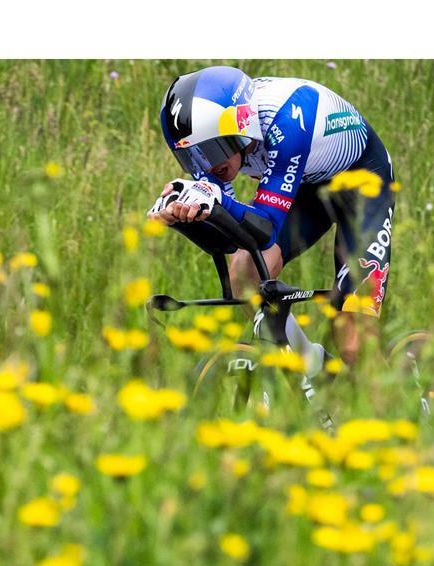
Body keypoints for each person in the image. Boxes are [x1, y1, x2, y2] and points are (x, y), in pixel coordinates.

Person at [147, 65, 395, 368]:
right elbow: (230, 240)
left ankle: (403, 397)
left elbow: (265, 230)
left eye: (211, 151)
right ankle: (312, 371)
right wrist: (183, 216)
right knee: (245, 272)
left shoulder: (288, 120)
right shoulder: (214, 140)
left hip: (364, 184)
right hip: (304, 185)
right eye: (191, 157)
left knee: (353, 343)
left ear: (241, 126)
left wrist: (216, 199)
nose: (206, 166)